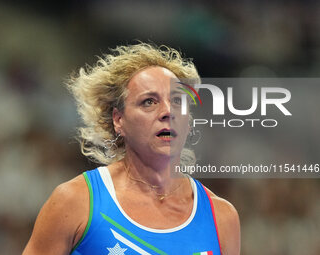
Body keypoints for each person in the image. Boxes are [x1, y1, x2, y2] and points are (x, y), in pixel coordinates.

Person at [23, 43, 240, 255]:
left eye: (176, 100)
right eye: (149, 102)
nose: (167, 112)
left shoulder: (221, 217)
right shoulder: (75, 201)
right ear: (118, 120)